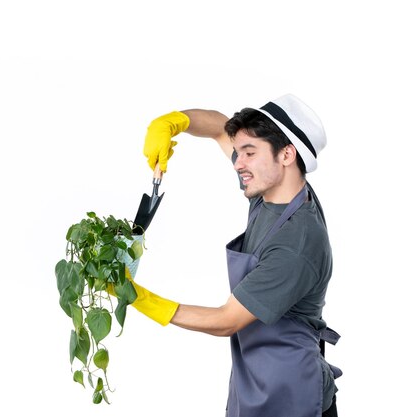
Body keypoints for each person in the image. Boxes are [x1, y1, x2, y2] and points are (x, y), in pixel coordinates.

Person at [119, 94, 342, 417]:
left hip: (292, 391)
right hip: (255, 376)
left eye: (249, 153)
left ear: (287, 154)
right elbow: (219, 128)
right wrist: (171, 123)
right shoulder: (273, 191)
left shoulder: (297, 240)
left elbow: (227, 320)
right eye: (239, 153)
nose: (238, 163)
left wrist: (136, 296)